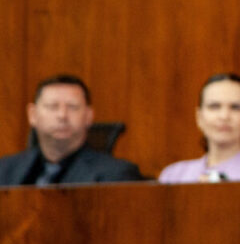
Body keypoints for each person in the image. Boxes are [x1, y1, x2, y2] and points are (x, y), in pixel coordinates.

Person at [0, 74, 144, 185]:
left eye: (73, 107)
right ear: (32, 115)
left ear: (89, 116)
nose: (62, 115)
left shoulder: (116, 176)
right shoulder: (5, 170)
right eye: (52, 106)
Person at [159, 73, 240, 183]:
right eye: (214, 106)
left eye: (236, 107)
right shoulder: (173, 176)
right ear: (199, 117)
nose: (224, 116)